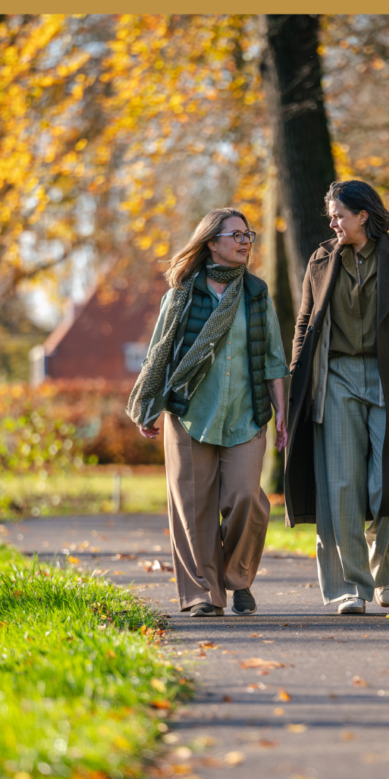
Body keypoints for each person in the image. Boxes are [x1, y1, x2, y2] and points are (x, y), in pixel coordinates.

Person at [284, 180, 389, 614]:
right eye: (330, 215)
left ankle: (384, 568)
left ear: (363, 216)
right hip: (334, 377)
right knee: (340, 485)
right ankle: (348, 589)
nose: (332, 222)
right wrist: (299, 380)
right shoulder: (320, 258)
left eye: (339, 214)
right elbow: (304, 325)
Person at [126, 208, 288, 617]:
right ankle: (203, 595)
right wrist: (150, 406)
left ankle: (238, 578)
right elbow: (157, 354)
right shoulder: (180, 294)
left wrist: (281, 411)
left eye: (248, 234)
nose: (245, 241)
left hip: (247, 414)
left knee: (246, 500)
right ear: (211, 242)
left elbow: (272, 359)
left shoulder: (256, 292)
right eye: (235, 235)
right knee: (192, 506)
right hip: (189, 414)